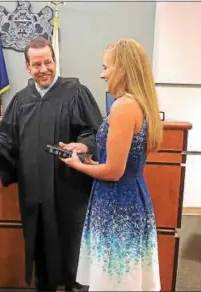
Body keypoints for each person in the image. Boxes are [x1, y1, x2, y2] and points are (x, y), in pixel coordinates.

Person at [0, 38, 103, 291]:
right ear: (27, 67)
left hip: (69, 190)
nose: (43, 69)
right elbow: (7, 139)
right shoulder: (21, 100)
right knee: (40, 247)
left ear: (55, 61)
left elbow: (95, 131)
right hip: (34, 192)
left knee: (73, 246)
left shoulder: (76, 93)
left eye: (48, 62)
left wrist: (83, 146)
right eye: (37, 64)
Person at [59, 39, 162, 291]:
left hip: (117, 203)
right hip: (129, 196)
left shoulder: (124, 107)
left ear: (123, 69)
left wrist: (78, 165)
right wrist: (91, 158)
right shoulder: (139, 103)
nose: (102, 74)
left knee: (115, 279)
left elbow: (114, 172)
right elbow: (120, 164)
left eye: (106, 67)